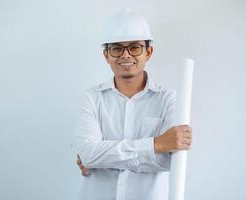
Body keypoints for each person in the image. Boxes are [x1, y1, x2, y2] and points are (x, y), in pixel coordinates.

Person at [75, 9, 192, 200]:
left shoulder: (168, 99)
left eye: (135, 47)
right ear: (107, 55)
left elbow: (168, 161)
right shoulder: (91, 98)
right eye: (117, 48)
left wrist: (102, 158)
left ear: (148, 52)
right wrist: (157, 144)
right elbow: (88, 155)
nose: (126, 55)